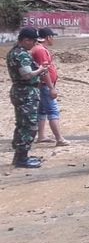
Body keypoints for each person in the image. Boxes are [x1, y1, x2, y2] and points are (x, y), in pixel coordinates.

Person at [6, 27, 48, 168]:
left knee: (22, 124)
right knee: (29, 126)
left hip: (20, 92)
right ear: (25, 40)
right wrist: (40, 70)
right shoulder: (21, 55)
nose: (35, 44)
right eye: (34, 41)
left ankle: (20, 156)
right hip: (26, 93)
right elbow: (27, 74)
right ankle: (21, 158)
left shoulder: (14, 52)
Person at [31, 28, 68, 146]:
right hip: (45, 85)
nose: (53, 39)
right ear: (48, 37)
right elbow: (44, 71)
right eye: (52, 36)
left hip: (42, 85)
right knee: (53, 110)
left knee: (42, 111)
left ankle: (41, 136)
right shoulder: (41, 50)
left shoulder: (39, 49)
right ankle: (59, 139)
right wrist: (51, 87)